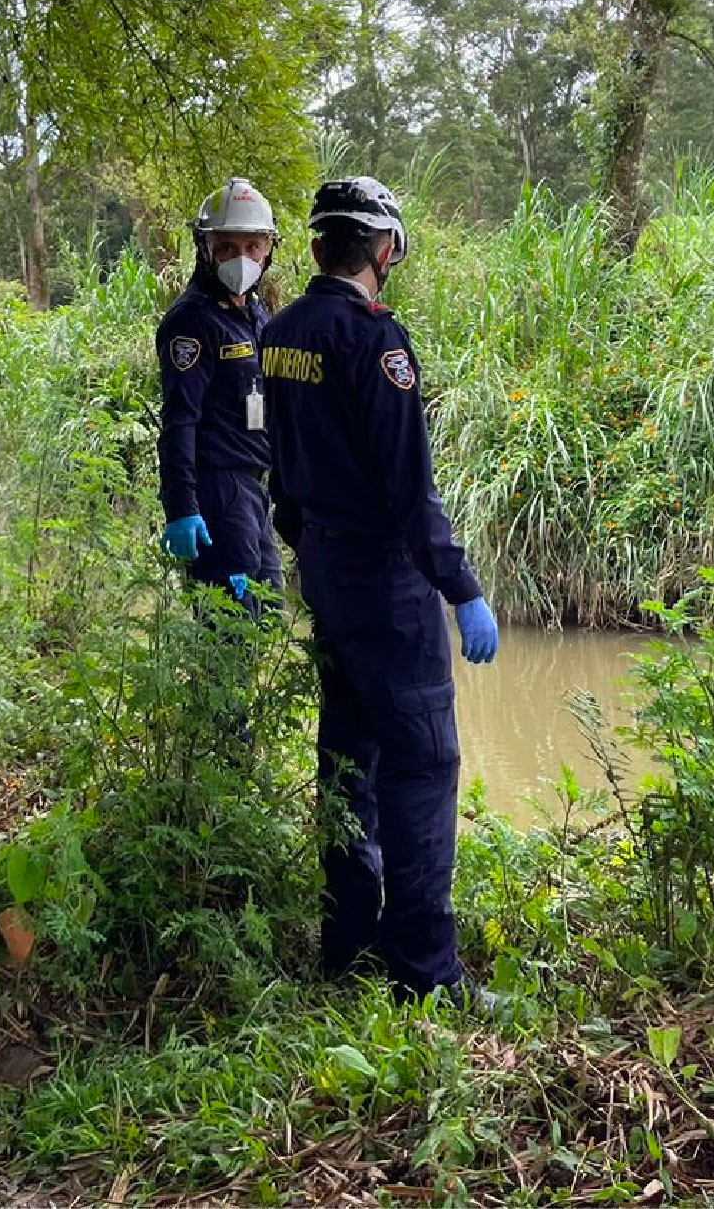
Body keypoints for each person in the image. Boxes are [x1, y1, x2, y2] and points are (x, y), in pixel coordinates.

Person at [260, 176, 502, 1002]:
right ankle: (426, 973)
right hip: (385, 579)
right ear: (385, 248)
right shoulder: (377, 342)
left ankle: (349, 942)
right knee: (423, 760)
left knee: (347, 753)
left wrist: (310, 548)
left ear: (317, 245)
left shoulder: (281, 332)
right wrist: (460, 586)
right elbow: (410, 491)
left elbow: (279, 468)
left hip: (325, 568)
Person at [156, 178, 281, 609]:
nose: (241, 258)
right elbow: (180, 419)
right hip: (218, 491)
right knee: (231, 627)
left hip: (254, 489)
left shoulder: (254, 312)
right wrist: (182, 506)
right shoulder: (191, 321)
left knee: (268, 616)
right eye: (227, 247)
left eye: (252, 247)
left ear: (268, 249)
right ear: (205, 249)